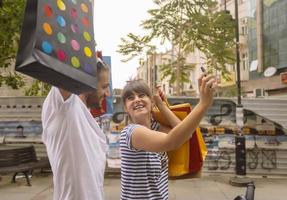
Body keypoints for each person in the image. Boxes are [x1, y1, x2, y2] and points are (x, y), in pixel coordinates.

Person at [120, 74, 217, 200]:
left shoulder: (155, 127)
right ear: (125, 108)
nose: (137, 99)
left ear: (151, 101)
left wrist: (161, 105)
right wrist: (203, 104)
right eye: (130, 98)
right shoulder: (131, 132)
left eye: (142, 95)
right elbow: (172, 141)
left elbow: (186, 135)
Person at [41, 59, 110, 200]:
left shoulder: (86, 116)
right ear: (87, 81)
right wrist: (87, 59)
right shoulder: (64, 105)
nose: (107, 93)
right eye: (104, 87)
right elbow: (67, 64)